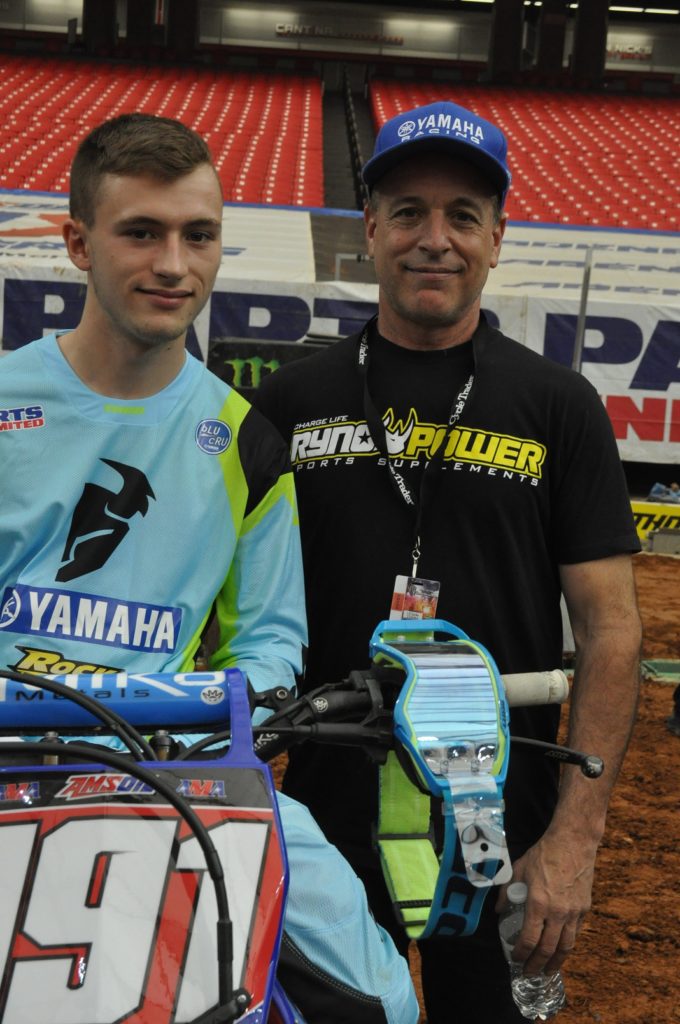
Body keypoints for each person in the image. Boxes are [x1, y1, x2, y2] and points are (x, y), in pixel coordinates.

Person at [0, 113, 418, 1024]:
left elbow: (272, 641)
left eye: (199, 235)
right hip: (6, 756)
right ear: (77, 242)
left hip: (176, 767)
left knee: (378, 989)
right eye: (141, 232)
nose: (173, 265)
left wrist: (230, 712)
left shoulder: (247, 443)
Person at [254, 100, 643, 1023]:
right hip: (324, 816)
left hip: (499, 821)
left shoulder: (559, 403)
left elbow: (612, 628)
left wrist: (574, 843)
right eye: (411, 212)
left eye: (463, 216)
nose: (436, 238)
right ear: (372, 231)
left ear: (497, 238)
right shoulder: (290, 400)